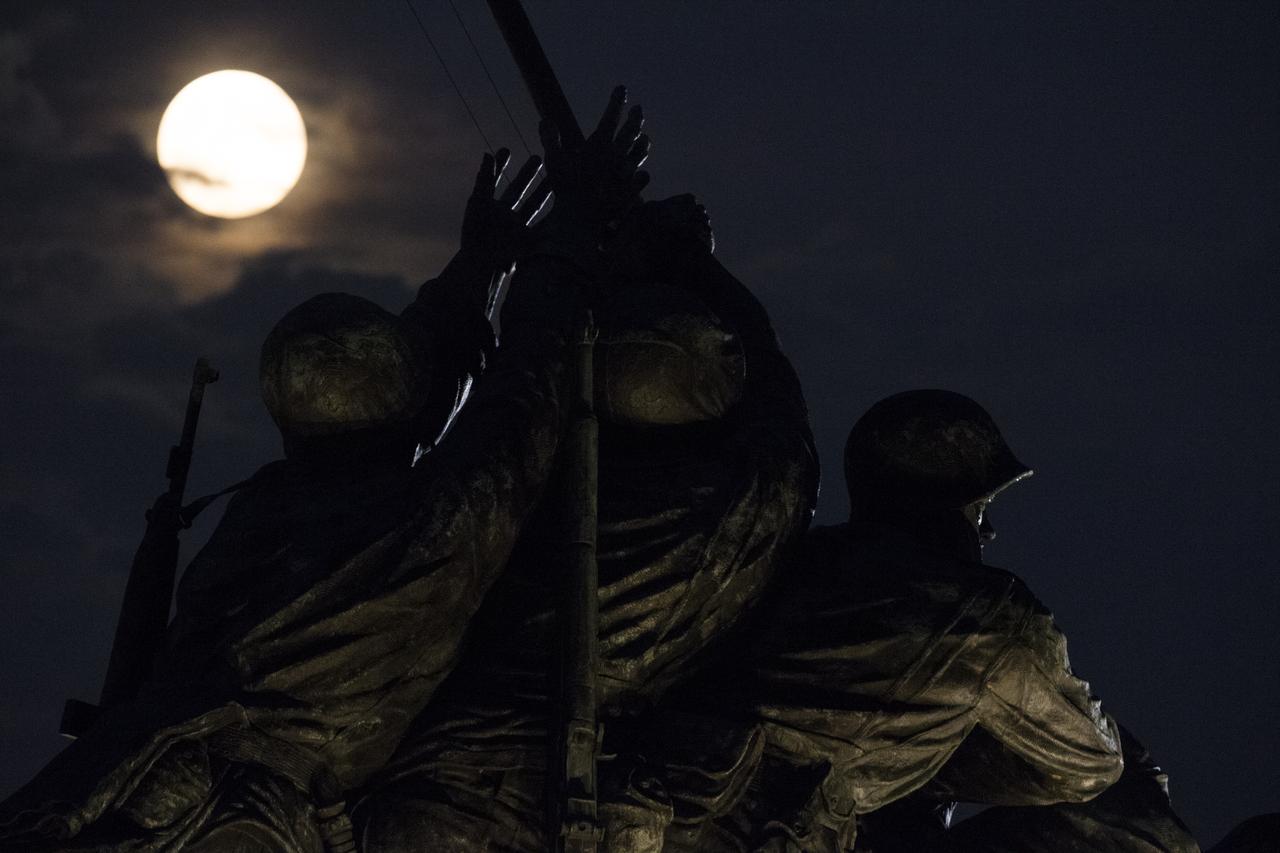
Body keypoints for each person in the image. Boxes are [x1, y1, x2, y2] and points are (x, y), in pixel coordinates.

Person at [0, 87, 647, 853]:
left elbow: (405, 392)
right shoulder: (429, 522)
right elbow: (524, 400)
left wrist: (479, 264)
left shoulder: (264, 512)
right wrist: (566, 232)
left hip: (153, 786)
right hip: (250, 823)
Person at [353, 171, 819, 850]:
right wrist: (696, 264)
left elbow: (522, 382)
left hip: (428, 784)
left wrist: (560, 262)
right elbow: (776, 392)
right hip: (558, 795)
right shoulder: (744, 501)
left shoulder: (519, 493)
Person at [655, 390, 1198, 852]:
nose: (985, 534)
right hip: (782, 831)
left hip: (685, 802)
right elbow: (1088, 765)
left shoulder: (790, 558)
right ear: (947, 508)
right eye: (979, 510)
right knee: (1132, 806)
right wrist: (951, 749)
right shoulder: (988, 615)